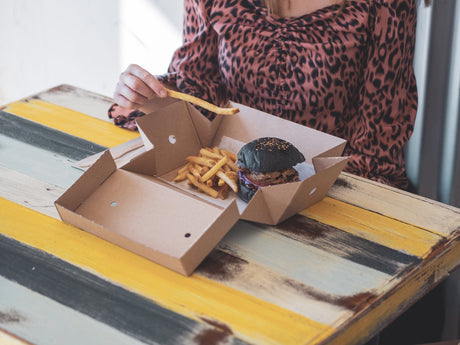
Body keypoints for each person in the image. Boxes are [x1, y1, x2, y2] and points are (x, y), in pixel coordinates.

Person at [112, 1, 443, 344]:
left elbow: (378, 145)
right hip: (229, 203)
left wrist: (295, 211)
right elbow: (198, 91)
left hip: (332, 205)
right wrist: (150, 100)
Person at [111, 0, 429, 191]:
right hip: (232, 187)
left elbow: (379, 137)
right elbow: (200, 91)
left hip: (334, 190)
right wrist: (150, 97)